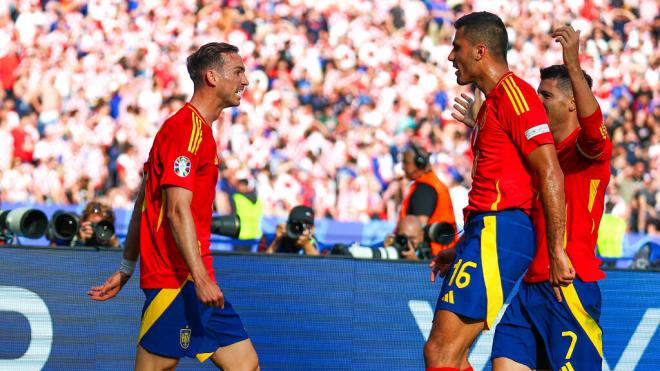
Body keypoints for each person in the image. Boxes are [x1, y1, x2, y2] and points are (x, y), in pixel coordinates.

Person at [88, 42, 259, 370]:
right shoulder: (186, 130)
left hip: (194, 277)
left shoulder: (196, 131)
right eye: (238, 72)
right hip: (177, 278)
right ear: (212, 76)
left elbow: (144, 201)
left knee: (245, 364)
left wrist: (126, 268)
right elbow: (176, 210)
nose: (245, 80)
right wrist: (200, 276)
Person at [425, 12, 572, 371]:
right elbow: (497, 184)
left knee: (441, 353)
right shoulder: (491, 106)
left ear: (479, 51)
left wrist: (556, 248)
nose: (450, 56)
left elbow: (549, 170)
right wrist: (460, 247)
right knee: (450, 357)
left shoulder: (516, 95)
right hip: (485, 233)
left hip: (501, 232)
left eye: (456, 47)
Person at [488, 26, 613, 371]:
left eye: (546, 96)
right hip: (528, 290)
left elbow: (594, 131)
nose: (537, 102)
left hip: (569, 285)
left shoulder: (588, 151)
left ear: (572, 101)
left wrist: (573, 66)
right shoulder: (541, 155)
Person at [399, 144, 457, 256]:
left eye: (406, 163)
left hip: (431, 258)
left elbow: (415, 232)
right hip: (441, 254)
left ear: (419, 164)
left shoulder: (424, 189)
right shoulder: (431, 184)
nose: (403, 167)